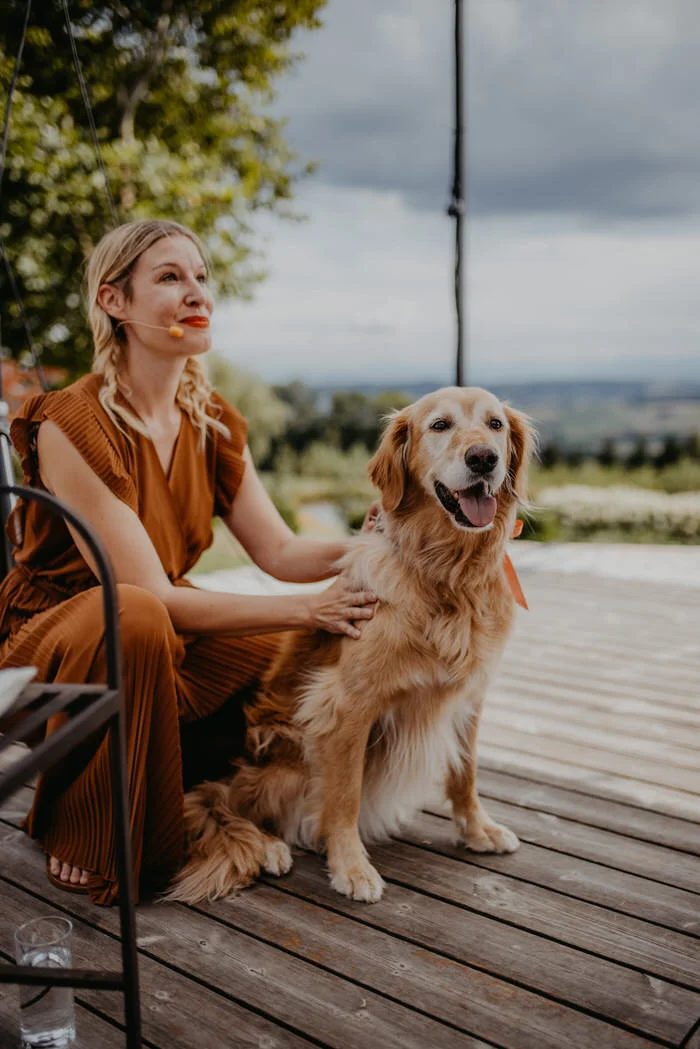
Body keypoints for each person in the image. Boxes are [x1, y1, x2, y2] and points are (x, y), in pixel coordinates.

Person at [0, 218, 377, 905]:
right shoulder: (70, 421)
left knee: (287, 645)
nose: (196, 291)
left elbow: (281, 550)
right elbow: (144, 591)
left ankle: (207, 794)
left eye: (201, 276)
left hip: (154, 627)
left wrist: (381, 545)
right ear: (115, 302)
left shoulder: (212, 419)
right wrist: (308, 603)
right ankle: (85, 826)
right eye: (170, 278)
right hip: (52, 642)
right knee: (144, 613)